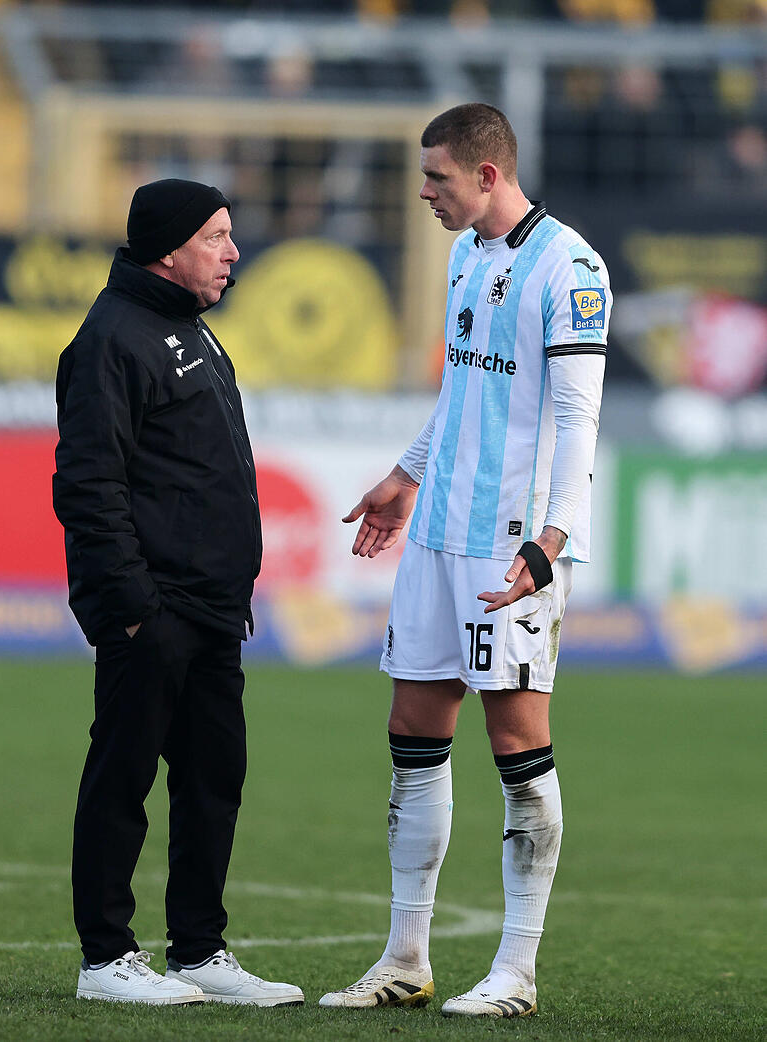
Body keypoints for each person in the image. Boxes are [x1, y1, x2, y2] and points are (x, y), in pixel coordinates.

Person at [319, 103, 611, 1018]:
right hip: (438, 533)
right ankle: (405, 958)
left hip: (507, 546)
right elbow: (463, 386)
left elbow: (576, 419)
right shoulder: (464, 256)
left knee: (519, 749)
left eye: (438, 177)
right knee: (414, 738)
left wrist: (551, 543)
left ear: (488, 175)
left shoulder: (570, 265)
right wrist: (406, 477)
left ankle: (516, 973)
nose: (425, 191)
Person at [53, 178, 304, 1008]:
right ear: (169, 248)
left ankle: (199, 951)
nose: (233, 253)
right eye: (216, 238)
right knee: (122, 777)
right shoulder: (110, 339)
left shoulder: (191, 327)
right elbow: (89, 485)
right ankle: (106, 960)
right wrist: (130, 606)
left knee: (211, 779)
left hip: (210, 609)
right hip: (151, 609)